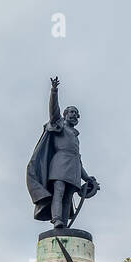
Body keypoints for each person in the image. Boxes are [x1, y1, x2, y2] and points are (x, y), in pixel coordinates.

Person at [25, 76, 99, 229]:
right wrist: (54, 91)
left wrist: (87, 178)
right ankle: (57, 219)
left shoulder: (75, 136)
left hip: (73, 168)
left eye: (76, 113)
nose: (73, 114)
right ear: (65, 114)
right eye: (71, 111)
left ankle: (63, 224)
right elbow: (53, 110)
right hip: (59, 163)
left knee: (68, 196)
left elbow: (78, 160)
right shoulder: (58, 125)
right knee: (58, 191)